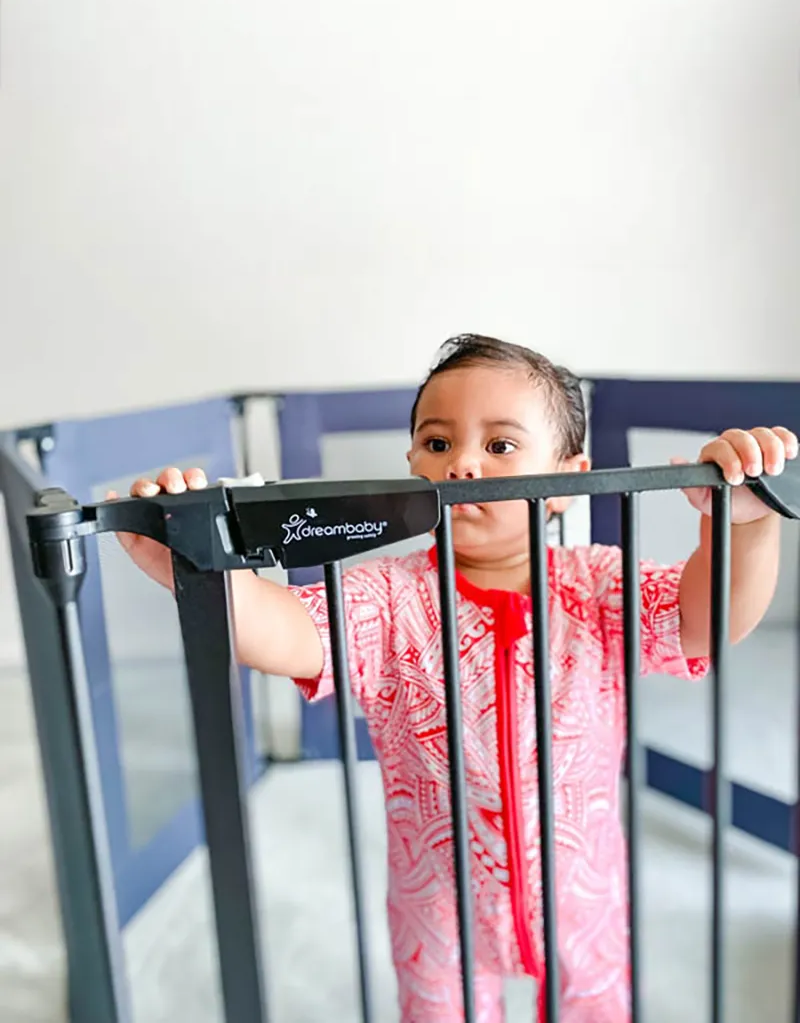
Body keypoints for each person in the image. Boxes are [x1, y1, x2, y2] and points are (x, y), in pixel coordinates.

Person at [116, 335, 796, 1023]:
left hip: (581, 890)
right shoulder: (388, 598)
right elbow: (286, 632)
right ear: (412, 465)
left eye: (500, 445)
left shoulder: (597, 584)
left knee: (596, 1007)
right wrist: (195, 568)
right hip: (437, 900)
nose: (463, 463)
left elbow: (704, 620)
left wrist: (746, 526)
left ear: (568, 480)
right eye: (437, 443)